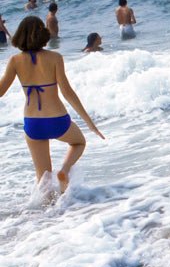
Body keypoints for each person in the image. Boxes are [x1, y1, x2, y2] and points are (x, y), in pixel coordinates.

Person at [0, 16, 105, 193]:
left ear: (20, 35)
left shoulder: (15, 61)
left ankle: (48, 209)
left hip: (33, 123)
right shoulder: (55, 57)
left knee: (43, 180)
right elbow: (67, 92)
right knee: (79, 143)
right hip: (57, 119)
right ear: (43, 33)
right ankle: (64, 170)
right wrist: (90, 123)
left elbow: (0, 91)